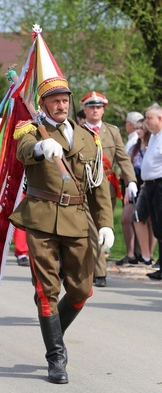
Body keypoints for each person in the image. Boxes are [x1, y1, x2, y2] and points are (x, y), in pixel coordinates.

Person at [9, 76, 114, 384]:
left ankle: (54, 331)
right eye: (54, 100)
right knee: (46, 291)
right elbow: (24, 151)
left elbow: (98, 186)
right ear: (42, 105)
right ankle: (55, 356)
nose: (61, 104)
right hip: (41, 218)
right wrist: (42, 146)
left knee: (82, 289)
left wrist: (105, 222)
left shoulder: (86, 137)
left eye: (65, 100)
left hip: (79, 219)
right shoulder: (31, 131)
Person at [80, 91, 137, 287]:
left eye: (99, 107)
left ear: (103, 110)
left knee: (104, 229)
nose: (95, 110)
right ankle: (98, 271)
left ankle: (96, 269)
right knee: (88, 230)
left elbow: (122, 158)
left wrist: (131, 181)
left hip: (107, 187)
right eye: (91, 106)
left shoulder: (112, 131)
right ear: (84, 109)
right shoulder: (77, 131)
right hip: (83, 186)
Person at [115, 120, 155, 265]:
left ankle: (148, 255)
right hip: (134, 185)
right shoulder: (134, 147)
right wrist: (127, 187)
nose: (137, 131)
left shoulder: (153, 145)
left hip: (148, 184)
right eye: (137, 128)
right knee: (127, 217)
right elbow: (127, 168)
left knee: (150, 220)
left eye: (141, 128)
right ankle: (131, 254)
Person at [140, 104, 162, 280]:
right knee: (157, 226)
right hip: (151, 185)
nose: (146, 121)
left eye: (149, 118)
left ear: (160, 119)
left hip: (160, 185)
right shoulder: (155, 136)